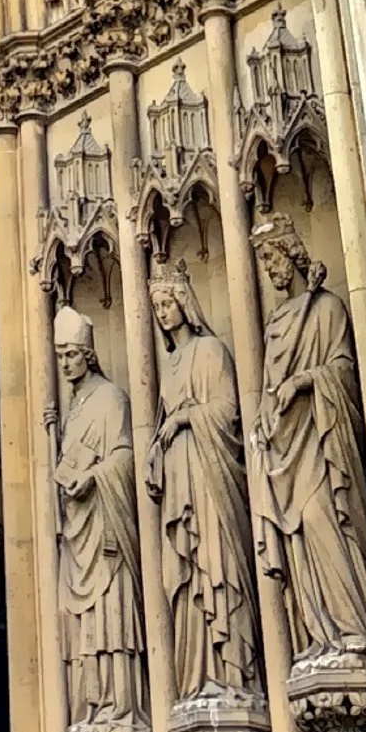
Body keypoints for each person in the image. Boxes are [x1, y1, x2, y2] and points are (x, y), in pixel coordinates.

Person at [250, 216, 366, 660]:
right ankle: (321, 633)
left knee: (326, 521)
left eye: (273, 257)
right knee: (300, 539)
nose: (270, 268)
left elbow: (344, 370)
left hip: (322, 441)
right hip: (289, 447)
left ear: (293, 254)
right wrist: (264, 421)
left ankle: (354, 626)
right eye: (264, 261)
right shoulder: (276, 325)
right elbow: (272, 389)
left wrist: (307, 380)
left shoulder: (326, 308)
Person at [147, 264, 258, 698]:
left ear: (185, 303)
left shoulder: (211, 351)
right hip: (179, 485)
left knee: (217, 564)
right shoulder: (170, 367)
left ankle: (230, 671)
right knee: (190, 579)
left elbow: (228, 410)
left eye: (168, 304)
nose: (162, 314)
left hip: (210, 482)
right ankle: (197, 678)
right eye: (156, 307)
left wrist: (184, 420)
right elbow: (160, 424)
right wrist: (159, 445)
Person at [51, 305, 145, 732]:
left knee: (110, 616)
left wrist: (92, 477)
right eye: (60, 355)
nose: (65, 363)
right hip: (78, 532)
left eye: (71, 354)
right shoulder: (71, 412)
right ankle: (90, 708)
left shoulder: (111, 398)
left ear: (88, 354)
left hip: (105, 530)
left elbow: (126, 456)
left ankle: (119, 709)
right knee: (83, 626)